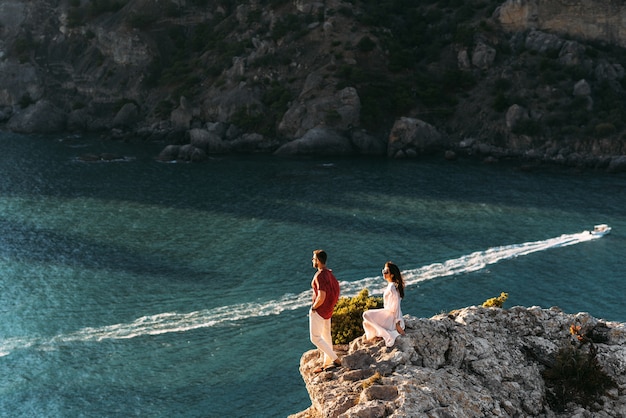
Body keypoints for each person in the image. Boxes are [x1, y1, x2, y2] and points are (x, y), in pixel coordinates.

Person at [309, 249, 341, 373]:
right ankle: (327, 363)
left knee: (315, 338)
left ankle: (335, 359)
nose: (312, 260)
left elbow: (321, 296)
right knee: (326, 336)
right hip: (328, 310)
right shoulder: (329, 273)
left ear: (318, 260)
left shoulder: (320, 275)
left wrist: (314, 308)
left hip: (320, 310)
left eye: (313, 258)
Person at [362, 261, 406, 347]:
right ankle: (378, 334)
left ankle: (386, 335)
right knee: (366, 322)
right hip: (389, 315)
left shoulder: (392, 287)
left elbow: (396, 306)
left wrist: (397, 324)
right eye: (383, 271)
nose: (384, 273)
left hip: (392, 319)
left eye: (386, 272)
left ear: (392, 275)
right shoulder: (392, 285)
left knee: (366, 315)